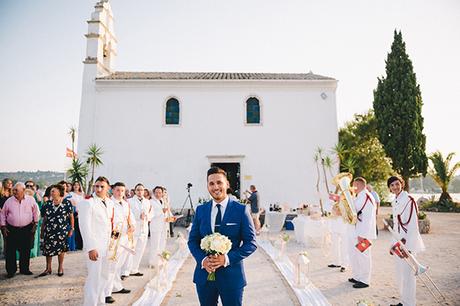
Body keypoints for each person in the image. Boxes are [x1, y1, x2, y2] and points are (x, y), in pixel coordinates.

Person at [188, 167, 257, 306]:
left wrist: (226, 258)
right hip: (204, 277)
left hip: (232, 277)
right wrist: (203, 260)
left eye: (219, 182)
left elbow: (251, 243)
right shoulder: (201, 210)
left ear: (227, 184)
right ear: (207, 186)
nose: (215, 187)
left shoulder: (241, 210)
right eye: (211, 184)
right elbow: (192, 241)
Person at [387, 176, 425, 306]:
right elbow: (396, 225)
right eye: (392, 185)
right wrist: (393, 244)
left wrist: (408, 247)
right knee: (400, 273)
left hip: (408, 243)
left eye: (397, 184)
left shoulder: (409, 200)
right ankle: (403, 301)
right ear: (390, 188)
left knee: (408, 275)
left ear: (401, 184)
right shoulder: (395, 201)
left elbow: (413, 226)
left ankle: (410, 303)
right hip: (398, 243)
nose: (395, 187)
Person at [78, 176, 115, 306]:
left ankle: (100, 302)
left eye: (102, 187)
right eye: (96, 186)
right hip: (95, 246)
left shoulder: (110, 203)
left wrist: (113, 243)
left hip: (107, 246)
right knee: (93, 279)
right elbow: (84, 226)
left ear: (108, 188)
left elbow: (110, 224)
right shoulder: (88, 202)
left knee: (104, 276)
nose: (98, 189)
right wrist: (91, 247)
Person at [0, 182, 40, 278]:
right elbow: (2, 214)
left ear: (23, 190)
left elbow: (36, 212)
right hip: (12, 229)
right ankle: (11, 271)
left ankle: (24, 269)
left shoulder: (30, 200)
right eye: (13, 190)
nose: (14, 191)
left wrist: (35, 223)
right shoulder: (9, 201)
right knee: (10, 250)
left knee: (25, 250)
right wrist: (3, 226)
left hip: (26, 228)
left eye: (16, 190)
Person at [104, 182, 135, 303]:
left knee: (118, 264)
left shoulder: (126, 204)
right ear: (112, 190)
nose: (120, 193)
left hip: (125, 237)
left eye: (122, 190)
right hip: (114, 236)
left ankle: (117, 286)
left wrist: (132, 225)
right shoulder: (109, 203)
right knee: (111, 265)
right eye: (118, 190)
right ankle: (106, 293)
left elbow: (129, 217)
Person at [38, 184, 74, 277]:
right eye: (51, 191)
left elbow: (71, 217)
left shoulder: (67, 203)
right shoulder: (48, 204)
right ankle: (48, 268)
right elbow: (44, 219)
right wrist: (42, 232)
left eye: (53, 190)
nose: (51, 192)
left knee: (61, 249)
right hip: (49, 230)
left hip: (62, 230)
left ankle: (60, 267)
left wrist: (71, 229)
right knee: (48, 249)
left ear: (59, 192)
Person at [348, 177, 377, 289]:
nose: (353, 187)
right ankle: (357, 276)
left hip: (364, 233)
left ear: (359, 185)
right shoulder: (360, 196)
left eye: (354, 185)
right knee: (356, 255)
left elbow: (368, 218)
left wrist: (363, 235)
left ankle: (365, 280)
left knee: (364, 256)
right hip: (358, 231)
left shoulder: (367, 197)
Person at [127, 183, 153, 276]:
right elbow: (128, 214)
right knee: (130, 250)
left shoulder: (147, 202)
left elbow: (151, 214)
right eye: (138, 190)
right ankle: (127, 270)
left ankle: (135, 269)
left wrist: (147, 216)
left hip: (144, 228)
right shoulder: (129, 201)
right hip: (134, 229)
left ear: (144, 191)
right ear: (135, 191)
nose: (140, 191)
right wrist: (138, 216)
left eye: (141, 190)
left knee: (140, 249)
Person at [148, 186, 168, 267]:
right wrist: (161, 211)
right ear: (153, 192)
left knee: (162, 244)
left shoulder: (163, 201)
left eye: (160, 192)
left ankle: (160, 260)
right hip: (155, 226)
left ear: (162, 193)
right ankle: (152, 262)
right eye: (156, 192)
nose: (158, 194)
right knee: (155, 245)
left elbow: (166, 212)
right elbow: (151, 214)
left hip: (163, 225)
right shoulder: (150, 202)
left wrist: (170, 217)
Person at [25, 180, 43, 258]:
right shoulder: (23, 195)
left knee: (34, 237)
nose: (29, 187)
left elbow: (40, 202)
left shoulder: (36, 195)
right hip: (24, 220)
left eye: (31, 186)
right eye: (27, 186)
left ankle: (33, 253)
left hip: (34, 220)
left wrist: (35, 192)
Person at [70, 181, 85, 250]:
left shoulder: (82, 194)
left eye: (77, 185)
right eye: (75, 185)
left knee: (81, 229)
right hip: (74, 213)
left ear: (79, 186)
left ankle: (81, 245)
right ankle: (75, 245)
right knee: (75, 229)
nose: (76, 186)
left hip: (82, 213)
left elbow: (84, 203)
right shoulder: (71, 193)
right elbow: (73, 203)